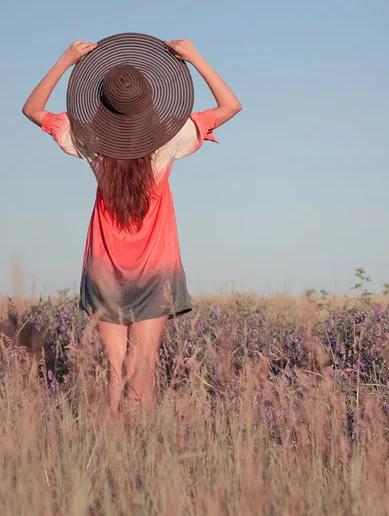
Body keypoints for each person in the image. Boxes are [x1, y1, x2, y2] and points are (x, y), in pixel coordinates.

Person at [22, 35, 242, 414]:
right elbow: (231, 105)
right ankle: (141, 462)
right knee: (142, 377)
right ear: (149, 102)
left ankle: (108, 457)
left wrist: (65, 60)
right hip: (156, 272)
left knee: (113, 378)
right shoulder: (170, 138)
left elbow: (32, 109)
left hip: (104, 272)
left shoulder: (89, 141)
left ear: (104, 106)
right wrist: (193, 56)